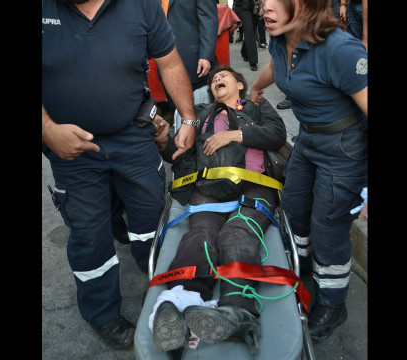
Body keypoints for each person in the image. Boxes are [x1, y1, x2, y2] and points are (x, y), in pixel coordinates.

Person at [41, 0, 199, 350]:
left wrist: (187, 119)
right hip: (72, 150)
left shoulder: (141, 5)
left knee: (150, 219)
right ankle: (101, 312)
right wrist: (47, 130)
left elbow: (169, 61)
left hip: (134, 135)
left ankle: (161, 289)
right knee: (89, 232)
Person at [250, 0, 367, 343]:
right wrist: (256, 86)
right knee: (295, 208)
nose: (264, 9)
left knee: (327, 225)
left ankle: (332, 303)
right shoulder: (278, 36)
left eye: (274, 0)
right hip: (308, 139)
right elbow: (277, 66)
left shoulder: (341, 50)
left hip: (344, 147)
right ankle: (300, 276)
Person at [149, 66, 286, 353]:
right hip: (207, 189)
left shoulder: (256, 106)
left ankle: (238, 311)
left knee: (236, 234)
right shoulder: (199, 115)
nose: (216, 81)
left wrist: (235, 136)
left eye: (223, 77)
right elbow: (179, 153)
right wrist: (164, 140)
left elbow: (277, 134)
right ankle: (179, 303)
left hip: (253, 186)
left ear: (240, 85)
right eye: (213, 80)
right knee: (199, 236)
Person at [161, 0, 220, 116]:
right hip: (164, 60)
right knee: (177, 112)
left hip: (193, 61)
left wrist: (206, 55)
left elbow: (208, 18)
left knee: (202, 114)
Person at [234, 0, 261, 71]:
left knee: (251, 31)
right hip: (241, 7)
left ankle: (244, 52)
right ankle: (253, 61)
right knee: (249, 31)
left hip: (254, 6)